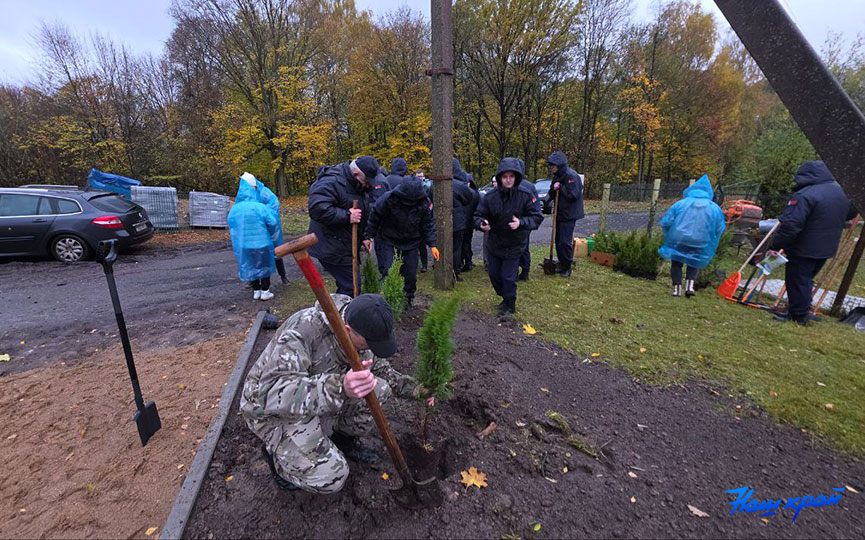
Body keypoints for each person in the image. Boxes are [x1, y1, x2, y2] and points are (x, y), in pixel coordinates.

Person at [240, 293, 417, 493]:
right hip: (269, 410)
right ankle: (281, 462)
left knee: (379, 388)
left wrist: (418, 389)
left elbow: (382, 371)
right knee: (332, 477)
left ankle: (343, 440)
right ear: (348, 331)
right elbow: (270, 394)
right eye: (370, 345)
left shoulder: (360, 325)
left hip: (315, 395)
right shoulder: (303, 332)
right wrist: (339, 388)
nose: (372, 350)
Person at [770, 161, 858, 324]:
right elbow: (849, 213)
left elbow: (791, 224)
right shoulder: (841, 193)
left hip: (804, 246)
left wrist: (776, 245)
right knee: (806, 279)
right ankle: (800, 309)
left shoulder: (805, 195)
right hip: (827, 247)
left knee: (798, 279)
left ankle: (798, 315)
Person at [474, 158, 543, 316]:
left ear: (517, 177)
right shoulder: (490, 197)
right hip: (495, 243)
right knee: (494, 275)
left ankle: (510, 304)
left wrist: (521, 222)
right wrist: (481, 224)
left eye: (511, 176)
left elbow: (537, 217)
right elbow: (477, 215)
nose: (508, 180)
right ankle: (504, 297)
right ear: (499, 178)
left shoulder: (525, 195)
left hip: (515, 244)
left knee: (508, 277)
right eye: (505, 177)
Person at [308, 156, 378, 296]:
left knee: (349, 286)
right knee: (352, 287)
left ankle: (339, 313)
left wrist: (364, 236)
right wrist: (347, 215)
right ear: (356, 174)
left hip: (344, 244)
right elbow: (317, 208)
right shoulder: (331, 181)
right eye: (366, 181)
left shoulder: (358, 186)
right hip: (331, 246)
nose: (368, 185)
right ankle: (343, 316)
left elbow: (362, 213)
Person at [368, 176, 439, 308]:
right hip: (388, 239)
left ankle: (408, 299)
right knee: (389, 270)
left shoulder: (424, 203)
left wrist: (432, 244)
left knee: (411, 273)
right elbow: (375, 217)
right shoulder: (388, 199)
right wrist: (369, 236)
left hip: (411, 242)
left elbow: (428, 224)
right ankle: (390, 298)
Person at [658, 174, 726, 298]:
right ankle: (690, 287)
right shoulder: (714, 208)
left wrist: (669, 231)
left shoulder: (680, 204)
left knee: (677, 263)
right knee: (694, 262)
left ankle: (676, 289)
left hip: (679, 239)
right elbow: (719, 227)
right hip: (701, 240)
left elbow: (667, 221)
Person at [228, 175, 281, 301]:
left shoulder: (235, 208)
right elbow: (273, 222)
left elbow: (231, 224)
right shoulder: (259, 207)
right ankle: (265, 291)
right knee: (265, 265)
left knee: (250, 265)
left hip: (244, 244)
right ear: (254, 189)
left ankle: (256, 291)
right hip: (262, 242)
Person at [242, 172, 289, 285]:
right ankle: (253, 280)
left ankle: (283, 276)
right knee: (254, 254)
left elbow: (274, 205)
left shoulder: (264, 193)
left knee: (275, 252)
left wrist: (260, 215)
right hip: (254, 228)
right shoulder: (247, 194)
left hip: (269, 227)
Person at [546, 151, 584, 277]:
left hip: (569, 214)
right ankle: (562, 263)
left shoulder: (571, 176)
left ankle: (567, 267)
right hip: (559, 213)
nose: (551, 168)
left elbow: (573, 195)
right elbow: (551, 194)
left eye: (553, 165)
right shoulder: (557, 176)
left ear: (560, 165)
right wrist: (554, 189)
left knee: (564, 242)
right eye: (550, 165)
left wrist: (560, 187)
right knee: (558, 241)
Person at [452, 159, 478, 282]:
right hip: (458, 222)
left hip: (442, 222)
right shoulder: (460, 186)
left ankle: (441, 268)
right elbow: (470, 197)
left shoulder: (436, 185)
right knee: (457, 248)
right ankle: (455, 271)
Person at [516, 159, 541, 281]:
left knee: (514, 248)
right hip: (525, 222)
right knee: (524, 247)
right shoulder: (530, 186)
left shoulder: (525, 186)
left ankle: (515, 272)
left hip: (517, 221)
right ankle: (525, 271)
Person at [461, 170, 479, 272]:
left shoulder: (465, 193)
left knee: (464, 243)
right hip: (470, 222)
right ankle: (468, 261)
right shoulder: (475, 194)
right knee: (467, 242)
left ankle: (466, 262)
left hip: (464, 222)